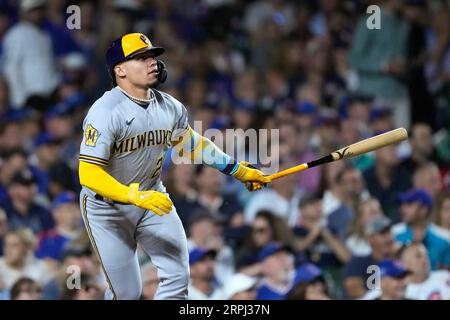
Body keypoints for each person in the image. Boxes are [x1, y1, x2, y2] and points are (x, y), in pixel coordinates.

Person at [77, 32, 270, 300]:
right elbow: (88, 173)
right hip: (106, 208)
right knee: (127, 293)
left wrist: (237, 170)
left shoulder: (170, 107)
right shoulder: (105, 111)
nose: (151, 62)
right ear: (119, 70)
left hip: (152, 197)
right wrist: (132, 196)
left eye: (152, 56)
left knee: (178, 278)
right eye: (141, 58)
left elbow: (193, 144)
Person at [2, 0, 60, 109]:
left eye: (40, 9)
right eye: (33, 10)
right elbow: (11, 67)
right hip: (29, 98)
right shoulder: (17, 33)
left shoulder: (44, 35)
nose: (37, 13)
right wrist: (19, 100)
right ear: (24, 12)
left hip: (49, 96)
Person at [392, 188, 450, 270]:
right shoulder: (393, 234)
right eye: (402, 204)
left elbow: (446, 275)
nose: (403, 209)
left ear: (423, 210)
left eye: (409, 204)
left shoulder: (444, 236)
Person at [343, 216, 396, 299]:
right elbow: (353, 291)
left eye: (389, 232)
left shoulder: (400, 260)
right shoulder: (358, 263)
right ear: (371, 239)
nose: (388, 238)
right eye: (382, 233)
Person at [236, 210, 295, 277]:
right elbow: (240, 275)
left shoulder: (283, 249)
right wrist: (263, 267)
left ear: (272, 230)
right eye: (253, 230)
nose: (256, 235)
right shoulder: (249, 253)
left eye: (261, 231)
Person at [35, 191, 82, 263]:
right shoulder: (46, 239)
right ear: (56, 213)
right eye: (69, 209)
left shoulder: (89, 236)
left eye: (77, 208)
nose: (75, 213)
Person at [1, 170, 53, 234]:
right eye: (26, 185)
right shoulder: (2, 210)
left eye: (33, 184)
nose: (32, 188)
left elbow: (49, 238)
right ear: (12, 189)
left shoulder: (43, 213)